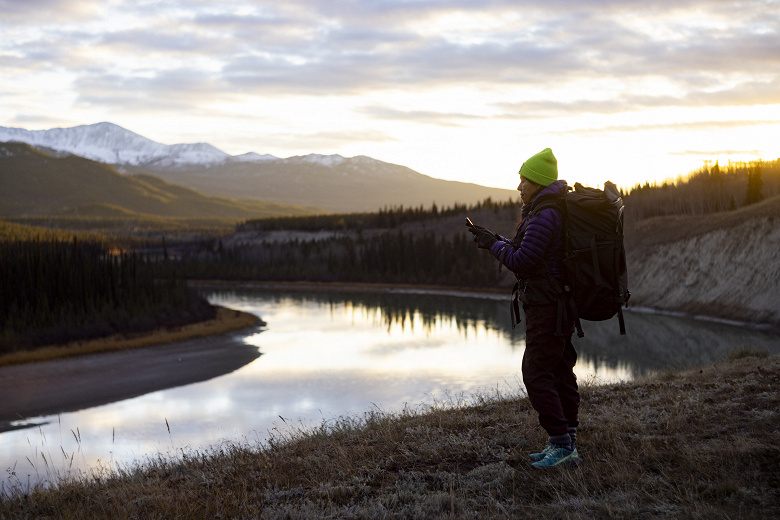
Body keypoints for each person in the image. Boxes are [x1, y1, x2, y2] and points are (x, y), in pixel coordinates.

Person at [467, 147, 580, 468]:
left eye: (523, 181)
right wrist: (496, 238)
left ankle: (562, 445)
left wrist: (493, 245)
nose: (518, 187)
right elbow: (528, 249)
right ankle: (567, 442)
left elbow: (523, 261)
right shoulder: (547, 208)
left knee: (536, 372)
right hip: (558, 302)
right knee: (558, 370)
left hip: (549, 305)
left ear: (538, 182)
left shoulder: (545, 213)